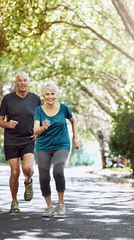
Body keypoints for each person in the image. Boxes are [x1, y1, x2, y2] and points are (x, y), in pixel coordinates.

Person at [33, 82, 80, 217]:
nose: (50, 96)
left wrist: (75, 137)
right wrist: (43, 126)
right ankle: (49, 206)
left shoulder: (64, 108)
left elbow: (74, 121)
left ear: (57, 95)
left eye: (52, 94)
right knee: (43, 177)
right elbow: (36, 130)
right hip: (43, 146)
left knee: (58, 171)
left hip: (61, 144)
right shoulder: (39, 111)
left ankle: (61, 204)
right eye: (47, 94)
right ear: (43, 95)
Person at [0, 72, 41, 213]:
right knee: (14, 172)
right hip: (11, 140)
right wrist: (7, 124)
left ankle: (28, 181)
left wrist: (38, 133)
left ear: (29, 83)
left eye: (25, 80)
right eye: (20, 80)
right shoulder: (8, 99)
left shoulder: (36, 99)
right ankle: (14, 202)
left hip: (28, 138)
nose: (22, 83)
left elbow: (40, 119)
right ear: (16, 83)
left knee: (28, 169)